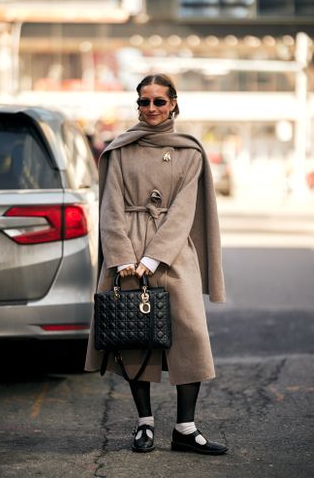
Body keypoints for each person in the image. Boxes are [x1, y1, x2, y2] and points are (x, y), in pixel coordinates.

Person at [85, 74, 228, 455]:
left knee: (191, 337)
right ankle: (144, 424)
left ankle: (185, 428)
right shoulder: (119, 149)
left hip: (173, 253)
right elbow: (111, 208)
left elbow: (183, 213)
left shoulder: (190, 151)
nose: (151, 109)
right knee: (133, 337)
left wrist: (152, 258)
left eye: (159, 102)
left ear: (174, 104)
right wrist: (124, 258)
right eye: (144, 102)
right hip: (126, 256)